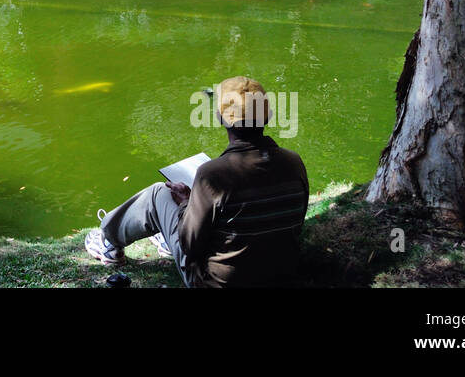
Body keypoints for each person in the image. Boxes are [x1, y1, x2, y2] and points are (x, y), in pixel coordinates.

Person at [85, 76, 309, 287]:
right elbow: (295, 225)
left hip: (216, 282)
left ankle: (107, 240)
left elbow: (190, 247)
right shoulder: (294, 162)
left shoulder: (213, 174)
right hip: (280, 275)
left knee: (158, 194)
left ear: (221, 118)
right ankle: (164, 238)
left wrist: (185, 202)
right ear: (267, 117)